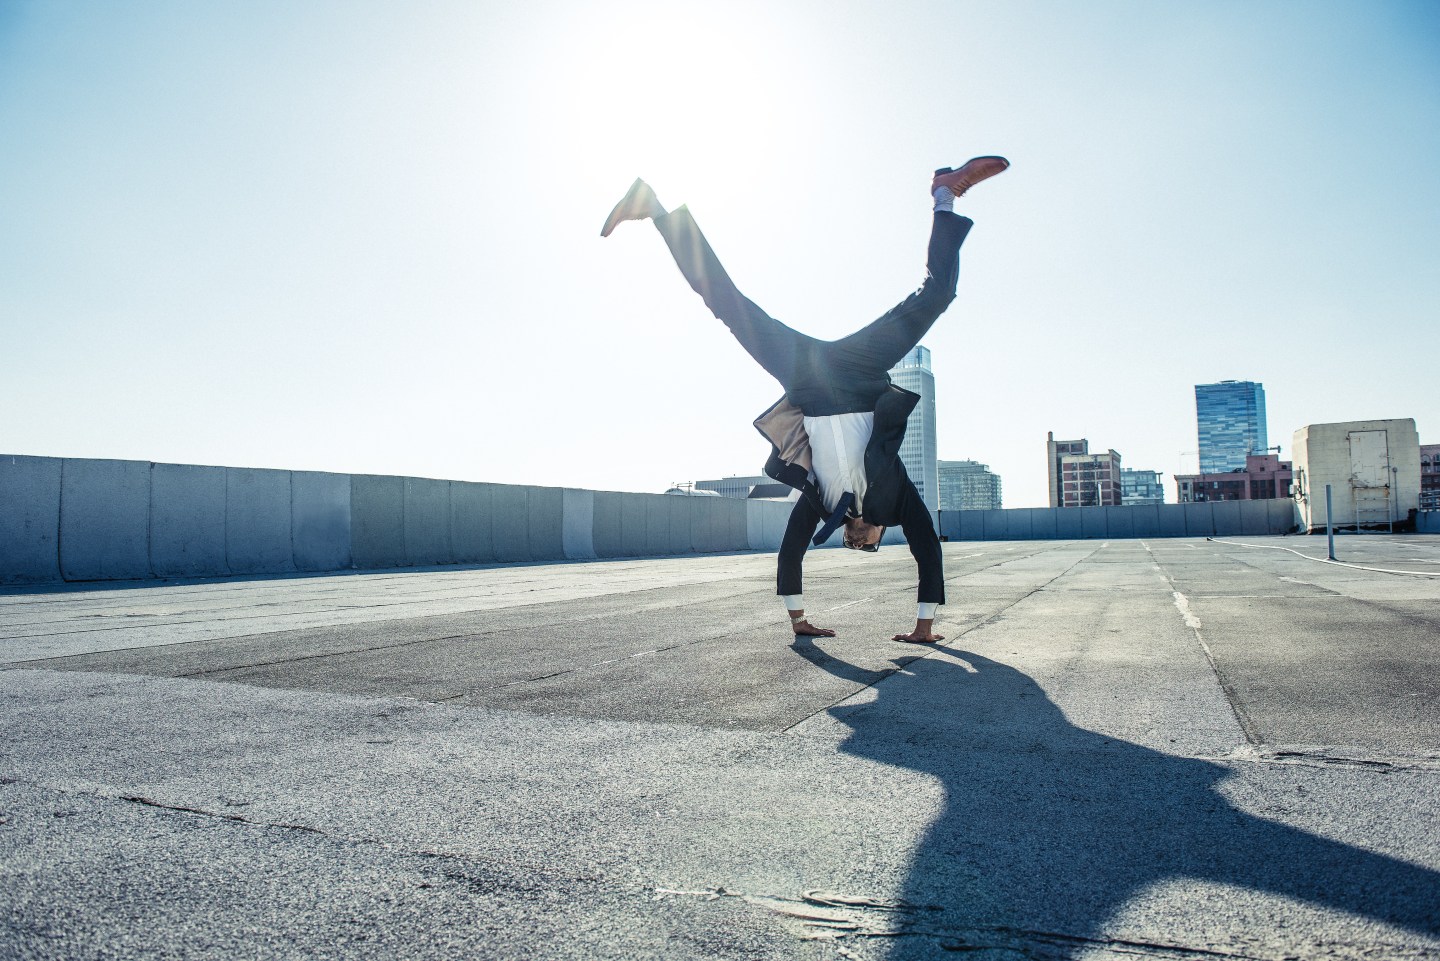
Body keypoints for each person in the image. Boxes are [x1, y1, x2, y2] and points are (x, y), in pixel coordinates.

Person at [600, 157, 1008, 642]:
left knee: (727, 303)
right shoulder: (896, 499)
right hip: (859, 373)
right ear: (882, 534)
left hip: (808, 381)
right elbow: (927, 549)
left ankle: (654, 207)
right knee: (936, 296)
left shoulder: (820, 502)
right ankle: (946, 195)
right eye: (869, 546)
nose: (858, 543)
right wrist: (924, 627)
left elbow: (792, 549)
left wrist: (798, 620)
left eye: (852, 546)